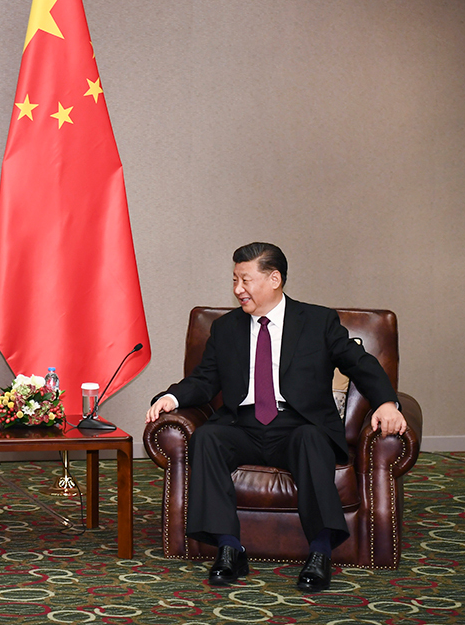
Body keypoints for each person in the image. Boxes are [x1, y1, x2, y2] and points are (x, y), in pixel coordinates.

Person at [145, 242, 406, 592]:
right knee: (207, 437)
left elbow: (360, 364)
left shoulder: (317, 321)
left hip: (298, 425)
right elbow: (205, 379)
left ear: (274, 279)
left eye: (246, 280)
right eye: (234, 280)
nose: (238, 289)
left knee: (311, 439)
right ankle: (229, 548)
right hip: (243, 425)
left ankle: (320, 552)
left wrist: (386, 402)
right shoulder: (225, 328)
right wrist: (171, 397)